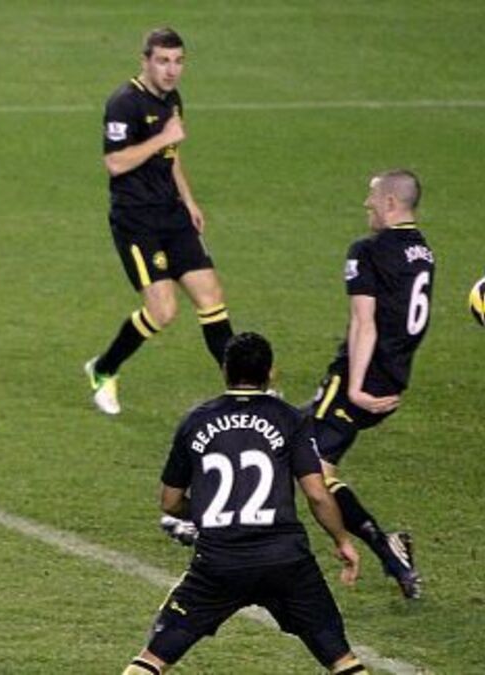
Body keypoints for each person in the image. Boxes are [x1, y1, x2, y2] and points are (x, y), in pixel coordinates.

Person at [123, 332, 368, 675]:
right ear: (270, 372)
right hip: (287, 562)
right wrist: (342, 540)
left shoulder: (196, 421)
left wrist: (208, 514)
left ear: (225, 369)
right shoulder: (291, 419)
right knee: (342, 660)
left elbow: (170, 501)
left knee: (151, 660)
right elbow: (316, 493)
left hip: (219, 564)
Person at [85, 27, 234, 416]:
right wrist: (163, 137)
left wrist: (189, 200)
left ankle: (244, 389)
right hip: (137, 221)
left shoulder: (172, 100)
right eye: (163, 61)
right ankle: (103, 369)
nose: (172, 70)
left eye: (178, 61)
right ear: (145, 61)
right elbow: (115, 162)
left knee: (211, 297)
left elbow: (171, 155)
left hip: (173, 214)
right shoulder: (124, 103)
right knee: (163, 311)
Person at [302, 170, 433, 600]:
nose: (366, 203)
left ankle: (388, 551)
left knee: (315, 472)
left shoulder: (369, 250)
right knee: (297, 432)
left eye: (373, 197)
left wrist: (355, 386)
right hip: (393, 380)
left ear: (391, 203)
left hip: (361, 381)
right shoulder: (423, 252)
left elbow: (365, 323)